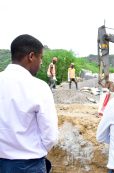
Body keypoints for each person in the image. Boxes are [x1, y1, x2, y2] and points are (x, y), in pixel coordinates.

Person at [0, 34, 58, 173]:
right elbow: (50, 135)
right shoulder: (39, 87)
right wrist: (34, 151)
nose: (41, 63)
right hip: (29, 165)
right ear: (31, 56)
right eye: (41, 58)